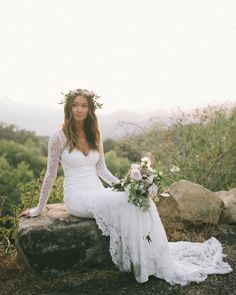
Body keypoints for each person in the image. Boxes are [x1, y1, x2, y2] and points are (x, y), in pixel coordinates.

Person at [19, 88, 233, 285]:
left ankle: (150, 259)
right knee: (128, 202)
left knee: (139, 199)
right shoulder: (59, 137)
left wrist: (125, 185)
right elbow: (50, 173)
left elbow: (102, 170)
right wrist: (39, 208)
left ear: (90, 109)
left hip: (97, 192)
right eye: (75, 105)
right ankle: (142, 263)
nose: (79, 109)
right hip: (77, 197)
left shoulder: (95, 135)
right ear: (68, 107)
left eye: (84, 105)